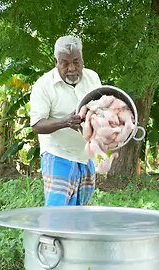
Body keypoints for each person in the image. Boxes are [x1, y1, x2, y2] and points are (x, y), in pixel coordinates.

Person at [28, 35, 102, 206]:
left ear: (83, 60)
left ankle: (75, 234)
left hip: (85, 155)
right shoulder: (44, 85)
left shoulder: (93, 78)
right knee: (57, 210)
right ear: (56, 62)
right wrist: (65, 122)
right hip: (57, 153)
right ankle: (51, 234)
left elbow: (101, 108)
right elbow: (37, 125)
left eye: (77, 62)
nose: (72, 68)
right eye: (65, 63)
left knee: (80, 208)